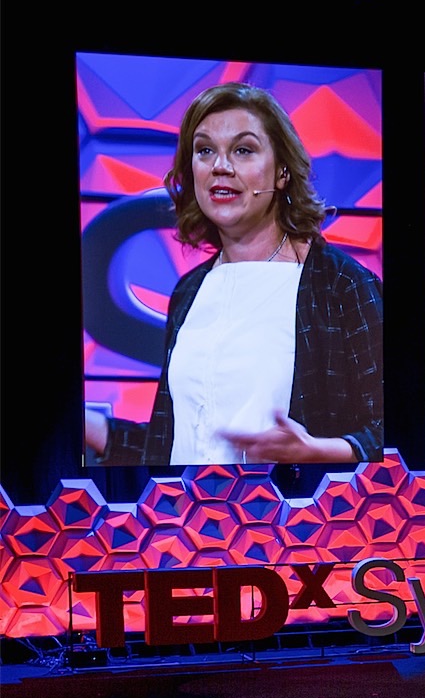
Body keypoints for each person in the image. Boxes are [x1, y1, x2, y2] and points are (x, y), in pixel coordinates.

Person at [97, 83, 382, 465]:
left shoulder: (341, 286)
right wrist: (88, 427)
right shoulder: (189, 290)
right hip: (184, 520)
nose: (220, 166)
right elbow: (179, 442)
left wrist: (318, 452)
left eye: (243, 150)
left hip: (293, 520)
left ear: (282, 172)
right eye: (205, 150)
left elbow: (398, 429)